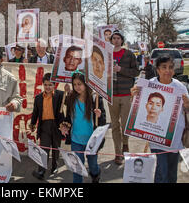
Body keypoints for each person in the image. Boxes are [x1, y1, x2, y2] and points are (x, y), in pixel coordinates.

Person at [131, 54, 189, 183]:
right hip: (156, 138)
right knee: (161, 172)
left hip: (174, 138)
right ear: (157, 69)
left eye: (170, 67)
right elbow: (138, 107)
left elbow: (187, 110)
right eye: (164, 67)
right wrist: (134, 95)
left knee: (172, 173)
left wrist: (187, 105)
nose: (167, 71)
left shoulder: (180, 87)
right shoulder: (149, 85)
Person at [60, 72, 106, 183]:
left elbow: (103, 121)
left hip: (92, 141)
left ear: (86, 84)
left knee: (93, 166)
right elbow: (67, 118)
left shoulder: (95, 98)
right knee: (77, 169)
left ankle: (96, 174)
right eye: (74, 84)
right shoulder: (71, 97)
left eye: (79, 84)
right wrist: (65, 126)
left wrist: (99, 116)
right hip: (76, 140)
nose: (77, 87)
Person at [109, 29, 140, 165]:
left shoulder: (129, 54)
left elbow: (136, 72)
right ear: (111, 41)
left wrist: (121, 70)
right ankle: (118, 152)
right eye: (113, 38)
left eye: (118, 38)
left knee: (124, 123)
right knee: (115, 125)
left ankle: (125, 144)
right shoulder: (107, 54)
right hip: (112, 95)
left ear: (121, 40)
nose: (116, 40)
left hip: (126, 94)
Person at [29, 73, 64, 180]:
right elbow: (35, 112)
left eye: (50, 85)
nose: (48, 87)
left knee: (56, 147)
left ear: (54, 85)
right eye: (46, 85)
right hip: (44, 126)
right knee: (44, 149)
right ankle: (41, 170)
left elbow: (69, 101)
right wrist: (33, 123)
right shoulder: (38, 98)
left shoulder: (61, 95)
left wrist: (68, 90)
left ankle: (54, 167)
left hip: (57, 125)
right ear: (43, 85)